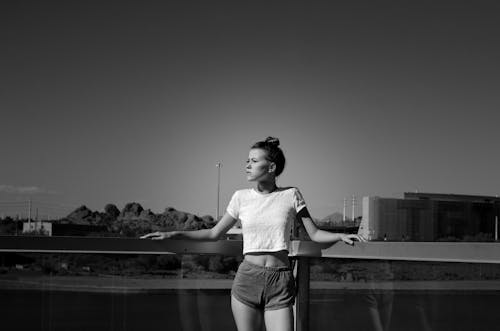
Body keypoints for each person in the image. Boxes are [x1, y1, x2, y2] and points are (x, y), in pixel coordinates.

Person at [141, 137, 365, 331]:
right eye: (247, 161)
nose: (247, 165)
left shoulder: (291, 195)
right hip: (248, 279)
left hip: (281, 280)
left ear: (271, 167)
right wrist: (173, 235)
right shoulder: (240, 197)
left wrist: (340, 237)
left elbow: (314, 233)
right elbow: (214, 233)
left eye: (254, 161)